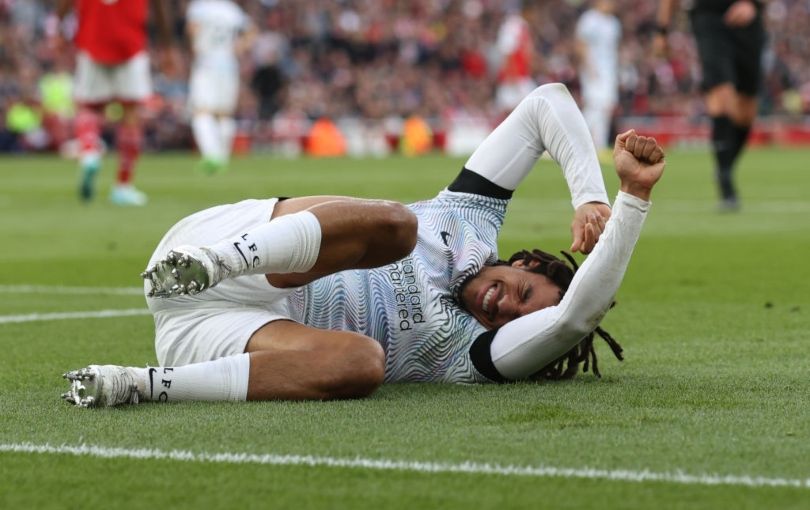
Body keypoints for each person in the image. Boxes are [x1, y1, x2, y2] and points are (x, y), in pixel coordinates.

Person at [61, 83, 665, 407]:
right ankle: (214, 263)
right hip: (222, 251)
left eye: (514, 321)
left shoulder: (470, 358)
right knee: (397, 227)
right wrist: (591, 195)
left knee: (362, 364)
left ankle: (138, 385)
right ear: (526, 261)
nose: (504, 308)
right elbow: (546, 103)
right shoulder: (471, 217)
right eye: (524, 291)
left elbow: (573, 319)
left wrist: (633, 200)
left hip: (219, 342)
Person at [56, 0, 176, 206]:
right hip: (129, 44)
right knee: (131, 115)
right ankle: (123, 186)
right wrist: (166, 46)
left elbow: (66, 4)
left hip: (93, 38)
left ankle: (90, 151)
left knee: (88, 107)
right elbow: (159, 8)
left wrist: (59, 30)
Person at [655, 0, 766, 211]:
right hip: (708, 16)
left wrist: (754, 4)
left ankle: (725, 164)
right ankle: (726, 182)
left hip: (748, 18)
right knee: (721, 93)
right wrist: (662, 30)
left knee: (746, 110)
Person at [187, 0, 256, 174]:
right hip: (228, 64)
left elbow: (193, 29)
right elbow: (252, 31)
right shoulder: (231, 9)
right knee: (224, 113)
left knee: (201, 111)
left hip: (206, 63)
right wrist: (239, 47)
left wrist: (196, 47)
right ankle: (223, 158)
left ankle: (212, 155)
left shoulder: (199, 7)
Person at [575, 0, 621, 161]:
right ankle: (576, 141)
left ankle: (599, 146)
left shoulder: (614, 23)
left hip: (609, 71)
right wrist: (589, 67)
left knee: (606, 108)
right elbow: (581, 44)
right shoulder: (589, 19)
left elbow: (614, 50)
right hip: (594, 70)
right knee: (595, 106)